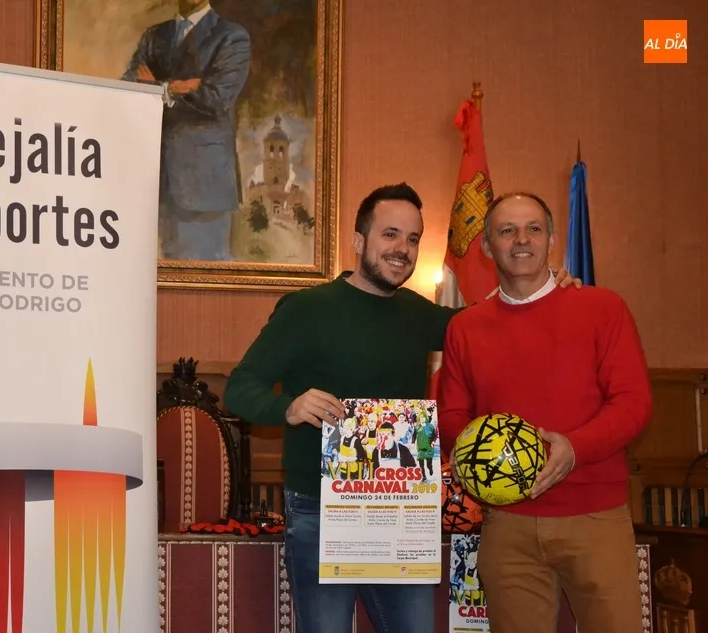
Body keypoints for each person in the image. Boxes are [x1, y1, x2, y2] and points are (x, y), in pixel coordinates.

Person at [223, 184, 579, 633]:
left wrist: (546, 289)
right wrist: (288, 406)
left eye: (413, 239)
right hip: (321, 507)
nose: (402, 249)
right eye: (390, 234)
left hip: (403, 508)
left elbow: (492, 323)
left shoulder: (419, 313)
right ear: (358, 241)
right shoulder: (305, 309)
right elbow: (239, 388)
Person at [437, 192, 651, 633]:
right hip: (507, 524)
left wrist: (575, 448)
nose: (522, 239)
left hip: (596, 518)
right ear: (486, 246)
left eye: (533, 228)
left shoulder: (603, 308)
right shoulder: (464, 327)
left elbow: (634, 403)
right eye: (507, 230)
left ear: (551, 240)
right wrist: (478, 454)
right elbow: (453, 415)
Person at [122, 1, 250, 261]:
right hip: (154, 181)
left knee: (202, 277)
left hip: (203, 185)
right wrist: (180, 87)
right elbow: (129, 88)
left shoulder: (231, 36)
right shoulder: (154, 36)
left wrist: (159, 88)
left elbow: (216, 99)